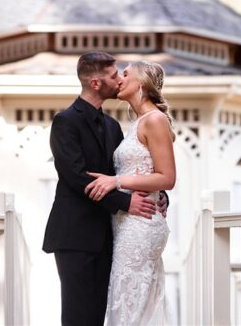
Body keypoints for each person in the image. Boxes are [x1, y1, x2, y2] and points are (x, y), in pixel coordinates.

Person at [42, 52, 161, 326]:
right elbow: (76, 176)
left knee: (98, 315)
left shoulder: (112, 125)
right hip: (75, 234)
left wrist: (158, 194)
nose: (119, 79)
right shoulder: (65, 121)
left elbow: (126, 172)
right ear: (95, 83)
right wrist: (124, 202)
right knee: (77, 316)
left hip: (109, 235)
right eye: (113, 75)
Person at [84, 61, 176, 325]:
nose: (119, 79)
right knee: (130, 303)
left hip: (142, 225)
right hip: (125, 223)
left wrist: (117, 181)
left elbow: (167, 177)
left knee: (129, 306)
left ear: (142, 84)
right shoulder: (136, 124)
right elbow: (148, 170)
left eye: (126, 74)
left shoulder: (155, 119)